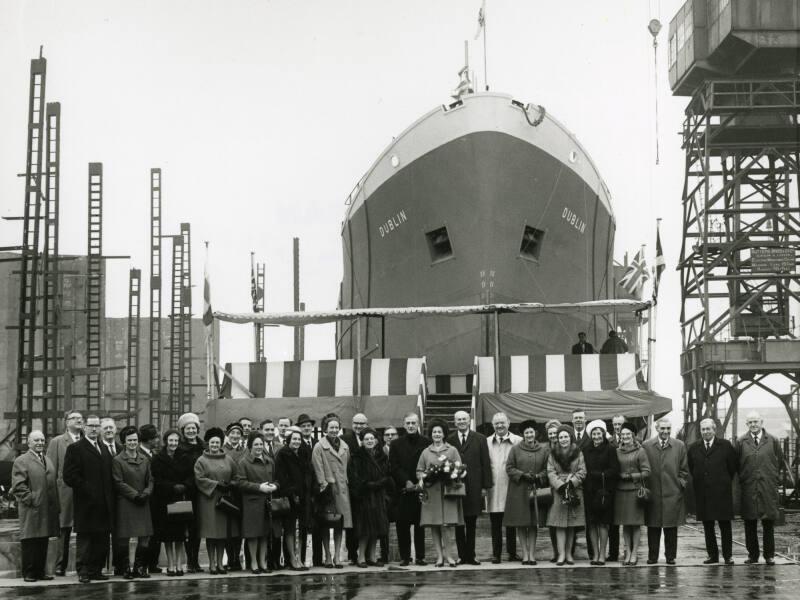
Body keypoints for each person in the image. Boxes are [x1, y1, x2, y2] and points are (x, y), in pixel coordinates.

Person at [62, 414, 114, 583]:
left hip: (104, 503)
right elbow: (69, 476)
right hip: (86, 503)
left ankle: (96, 570)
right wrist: (87, 489)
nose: (94, 429)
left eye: (96, 426)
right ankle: (83, 571)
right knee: (86, 538)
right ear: (84, 427)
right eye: (90, 426)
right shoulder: (75, 448)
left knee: (102, 539)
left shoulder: (104, 448)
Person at [687, 418, 737, 565]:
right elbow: (692, 467)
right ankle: (712, 556)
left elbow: (732, 467)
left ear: (714, 430)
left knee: (724, 525)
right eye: (703, 429)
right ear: (700, 431)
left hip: (721, 493)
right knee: (708, 526)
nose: (706, 432)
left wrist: (722, 480)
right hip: (703, 493)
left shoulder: (725, 446)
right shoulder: (694, 447)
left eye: (708, 429)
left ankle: (728, 556)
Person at [12, 430, 59, 582]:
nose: (40, 443)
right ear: (29, 443)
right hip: (31, 508)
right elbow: (19, 485)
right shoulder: (22, 460)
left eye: (42, 440)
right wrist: (31, 499)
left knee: (42, 539)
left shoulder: (47, 459)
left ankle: (40, 571)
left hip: (46, 508)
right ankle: (29, 572)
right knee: (30, 540)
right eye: (36, 440)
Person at [737, 411, 783, 566]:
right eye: (750, 422)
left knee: (768, 522)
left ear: (762, 422)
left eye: (755, 421)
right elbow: (737, 464)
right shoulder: (741, 441)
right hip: (749, 486)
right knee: (749, 522)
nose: (753, 425)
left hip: (767, 486)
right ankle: (753, 555)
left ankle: (769, 555)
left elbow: (780, 461)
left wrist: (772, 477)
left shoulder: (773, 440)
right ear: (747, 424)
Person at [416, 419, 463, 567]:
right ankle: (439, 557)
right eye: (434, 432)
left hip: (448, 493)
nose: (437, 434)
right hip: (431, 494)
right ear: (431, 434)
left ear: (444, 434)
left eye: (439, 432)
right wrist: (424, 476)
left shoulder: (452, 450)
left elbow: (459, 468)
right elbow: (419, 470)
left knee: (447, 526)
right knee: (434, 525)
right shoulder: (425, 452)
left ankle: (449, 556)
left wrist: (451, 475)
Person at [447, 410, 491, 566]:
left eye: (464, 419)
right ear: (455, 422)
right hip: (456, 486)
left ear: (469, 420)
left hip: (474, 486)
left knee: (471, 522)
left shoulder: (480, 439)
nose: (461, 422)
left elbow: (485, 463)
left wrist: (485, 486)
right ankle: (461, 555)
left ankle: (471, 555)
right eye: (458, 419)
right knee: (459, 522)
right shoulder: (450, 439)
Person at [194, 427, 240, 574]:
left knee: (222, 535)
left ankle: (221, 563)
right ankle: (212, 564)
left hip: (224, 500)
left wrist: (231, 484)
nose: (214, 445)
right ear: (208, 444)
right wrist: (215, 484)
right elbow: (199, 479)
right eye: (212, 443)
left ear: (221, 443)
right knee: (211, 534)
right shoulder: (201, 460)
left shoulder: (228, 459)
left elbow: (236, 476)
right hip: (209, 500)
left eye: (217, 443)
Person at [643, 418, 688, 565]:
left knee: (671, 526)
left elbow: (684, 470)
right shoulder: (647, 445)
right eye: (662, 428)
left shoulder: (679, 445)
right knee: (653, 525)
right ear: (657, 428)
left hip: (672, 491)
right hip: (653, 491)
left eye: (668, 428)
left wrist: (679, 485)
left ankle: (670, 556)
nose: (666, 431)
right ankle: (653, 556)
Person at [504, 420, 549, 565]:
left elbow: (547, 469)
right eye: (526, 433)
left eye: (531, 432)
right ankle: (524, 554)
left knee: (533, 523)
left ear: (535, 433)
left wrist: (538, 476)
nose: (529, 435)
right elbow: (509, 467)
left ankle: (532, 554)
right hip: (519, 491)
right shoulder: (515, 449)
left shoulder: (543, 450)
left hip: (536, 490)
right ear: (523, 435)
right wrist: (522, 475)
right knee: (521, 523)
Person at [111, 426, 154, 579]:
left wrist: (146, 493)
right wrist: (135, 495)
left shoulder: (145, 459)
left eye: (135, 440)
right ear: (124, 442)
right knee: (124, 537)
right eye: (129, 440)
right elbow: (118, 482)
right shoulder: (117, 460)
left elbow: (150, 480)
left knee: (144, 537)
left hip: (143, 501)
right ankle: (125, 568)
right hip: (127, 502)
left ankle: (140, 567)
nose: (133, 443)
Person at [150, 428, 193, 576]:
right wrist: (171, 487)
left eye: (176, 440)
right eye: (171, 440)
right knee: (168, 536)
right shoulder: (158, 458)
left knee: (180, 536)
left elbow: (191, 475)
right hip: (165, 499)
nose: (173, 443)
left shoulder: (185, 457)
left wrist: (185, 486)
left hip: (181, 499)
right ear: (166, 441)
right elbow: (156, 479)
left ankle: (180, 564)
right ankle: (170, 565)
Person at [348, 427, 393, 567]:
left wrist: (380, 484)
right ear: (362, 441)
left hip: (379, 496)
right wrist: (368, 485)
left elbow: (387, 474)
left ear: (376, 440)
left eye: (371, 439)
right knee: (364, 529)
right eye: (366, 439)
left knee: (377, 528)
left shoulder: (382, 456)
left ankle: (372, 557)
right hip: (364, 496)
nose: (369, 441)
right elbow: (354, 477)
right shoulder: (356, 456)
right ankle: (361, 557)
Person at [389, 412, 430, 566]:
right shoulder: (396, 444)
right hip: (403, 489)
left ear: (418, 424)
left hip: (420, 487)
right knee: (402, 524)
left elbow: (428, 464)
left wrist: (421, 481)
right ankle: (405, 557)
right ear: (404, 425)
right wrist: (405, 481)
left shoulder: (426, 442)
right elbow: (394, 466)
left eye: (414, 423)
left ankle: (420, 556)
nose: (411, 426)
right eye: (408, 423)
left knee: (420, 524)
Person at [312, 415, 352, 568]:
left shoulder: (345, 446)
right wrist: (323, 485)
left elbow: (347, 467)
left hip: (342, 490)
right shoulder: (319, 447)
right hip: (327, 490)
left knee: (339, 523)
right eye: (331, 428)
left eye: (336, 427)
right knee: (325, 523)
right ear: (325, 429)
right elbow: (317, 467)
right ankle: (327, 556)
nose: (334, 430)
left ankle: (337, 557)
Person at [236, 432, 280, 574]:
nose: (259, 447)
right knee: (253, 535)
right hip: (251, 503)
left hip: (267, 503)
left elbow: (276, 480)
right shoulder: (244, 462)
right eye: (256, 444)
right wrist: (259, 487)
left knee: (264, 534)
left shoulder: (269, 461)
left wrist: (275, 486)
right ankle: (254, 563)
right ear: (250, 446)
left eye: (261, 444)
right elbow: (240, 483)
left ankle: (263, 562)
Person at [46, 410, 82, 576]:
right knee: (64, 528)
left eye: (80, 418)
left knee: (85, 527)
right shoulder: (57, 442)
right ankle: (61, 565)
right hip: (64, 491)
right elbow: (50, 469)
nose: (78, 420)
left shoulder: (87, 441)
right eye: (74, 418)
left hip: (84, 490)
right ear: (66, 422)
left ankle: (84, 565)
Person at [546, 425, 587, 566]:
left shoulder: (578, 452)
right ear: (557, 439)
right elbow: (550, 472)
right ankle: (561, 554)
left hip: (574, 490)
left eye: (566, 436)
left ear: (570, 437)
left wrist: (572, 483)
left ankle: (569, 554)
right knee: (559, 524)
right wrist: (560, 485)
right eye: (561, 437)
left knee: (571, 524)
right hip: (559, 492)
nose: (563, 439)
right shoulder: (552, 454)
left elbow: (582, 471)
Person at [582, 419, 619, 565]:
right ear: (591, 435)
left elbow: (614, 470)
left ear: (603, 434)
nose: (596, 436)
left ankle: (603, 554)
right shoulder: (585, 449)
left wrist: (600, 474)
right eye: (594, 434)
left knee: (603, 524)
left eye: (599, 433)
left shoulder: (610, 449)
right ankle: (595, 554)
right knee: (592, 524)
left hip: (605, 492)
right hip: (589, 491)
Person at [614, 421, 651, 566]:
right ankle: (627, 552)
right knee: (625, 525)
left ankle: (634, 552)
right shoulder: (617, 451)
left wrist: (632, 476)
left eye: (628, 434)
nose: (625, 436)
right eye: (623, 434)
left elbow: (647, 471)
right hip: (620, 492)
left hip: (635, 491)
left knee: (635, 525)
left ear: (633, 435)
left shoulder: (640, 451)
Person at [275, 429, 313, 571]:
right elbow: (280, 477)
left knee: (302, 528)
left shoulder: (304, 453)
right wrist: (292, 492)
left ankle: (299, 558)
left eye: (299, 439)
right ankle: (292, 558)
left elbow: (309, 472)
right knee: (290, 529)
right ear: (288, 440)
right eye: (294, 439)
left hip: (304, 497)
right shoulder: (283, 455)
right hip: (290, 497)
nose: (297, 441)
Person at [487, 412, 521, 563]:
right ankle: (496, 554)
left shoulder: (518, 441)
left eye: (502, 422)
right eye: (496, 423)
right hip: (494, 487)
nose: (500, 425)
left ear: (509, 423)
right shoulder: (486, 442)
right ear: (492, 425)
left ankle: (512, 553)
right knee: (495, 523)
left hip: (512, 486)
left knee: (511, 522)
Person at [175, 412, 205, 573]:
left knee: (198, 527)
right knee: (188, 527)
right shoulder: (179, 448)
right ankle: (190, 561)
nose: (191, 431)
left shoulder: (204, 446)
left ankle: (196, 560)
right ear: (183, 430)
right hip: (187, 491)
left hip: (202, 492)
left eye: (193, 428)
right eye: (188, 428)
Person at [341, 413, 368, 564]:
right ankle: (352, 554)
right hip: (350, 486)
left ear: (367, 424)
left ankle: (365, 554)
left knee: (364, 521)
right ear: (352, 424)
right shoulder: (344, 439)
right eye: (356, 423)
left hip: (366, 487)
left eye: (362, 423)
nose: (358, 426)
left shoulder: (370, 437)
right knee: (350, 522)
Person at [137, 424, 162, 574]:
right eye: (155, 438)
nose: (158, 440)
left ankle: (153, 563)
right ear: (148, 440)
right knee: (145, 534)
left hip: (156, 499)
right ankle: (143, 564)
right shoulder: (140, 454)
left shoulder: (154, 454)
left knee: (155, 532)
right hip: (145, 498)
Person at [259, 418, 283, 568]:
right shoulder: (257, 447)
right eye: (266, 429)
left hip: (276, 493)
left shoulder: (279, 447)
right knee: (262, 529)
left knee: (276, 529)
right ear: (261, 431)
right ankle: (261, 561)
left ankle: (275, 560)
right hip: (261, 492)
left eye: (271, 429)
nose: (269, 432)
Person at [295, 413, 318, 567]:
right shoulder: (296, 444)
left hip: (316, 489)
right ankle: (301, 559)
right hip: (302, 490)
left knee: (317, 525)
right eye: (303, 426)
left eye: (308, 426)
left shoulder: (317, 443)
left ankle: (318, 560)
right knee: (302, 527)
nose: (306, 428)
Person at [223, 422, 246, 571]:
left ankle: (236, 557)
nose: (235, 436)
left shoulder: (245, 451)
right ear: (228, 435)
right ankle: (229, 557)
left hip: (241, 493)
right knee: (227, 528)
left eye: (238, 434)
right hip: (227, 492)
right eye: (233, 433)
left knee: (239, 528)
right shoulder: (222, 450)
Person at [607, 414, 626, 561]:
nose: (617, 427)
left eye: (620, 424)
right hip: (613, 486)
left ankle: (629, 552)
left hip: (628, 485)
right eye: (615, 424)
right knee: (613, 522)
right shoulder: (608, 442)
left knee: (628, 521)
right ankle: (613, 553)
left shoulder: (634, 441)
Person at [379, 426, 399, 563]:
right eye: (387, 434)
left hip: (399, 490)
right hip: (384, 492)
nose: (390, 437)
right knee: (383, 525)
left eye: (393, 434)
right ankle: (384, 554)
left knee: (402, 524)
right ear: (383, 437)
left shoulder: (400, 449)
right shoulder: (380, 451)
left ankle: (404, 554)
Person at [544, 418, 561, 561]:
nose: (553, 436)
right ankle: (556, 552)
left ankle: (567, 551)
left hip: (563, 487)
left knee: (566, 521)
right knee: (552, 522)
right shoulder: (545, 449)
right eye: (550, 433)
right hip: (549, 490)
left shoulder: (566, 446)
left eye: (555, 433)